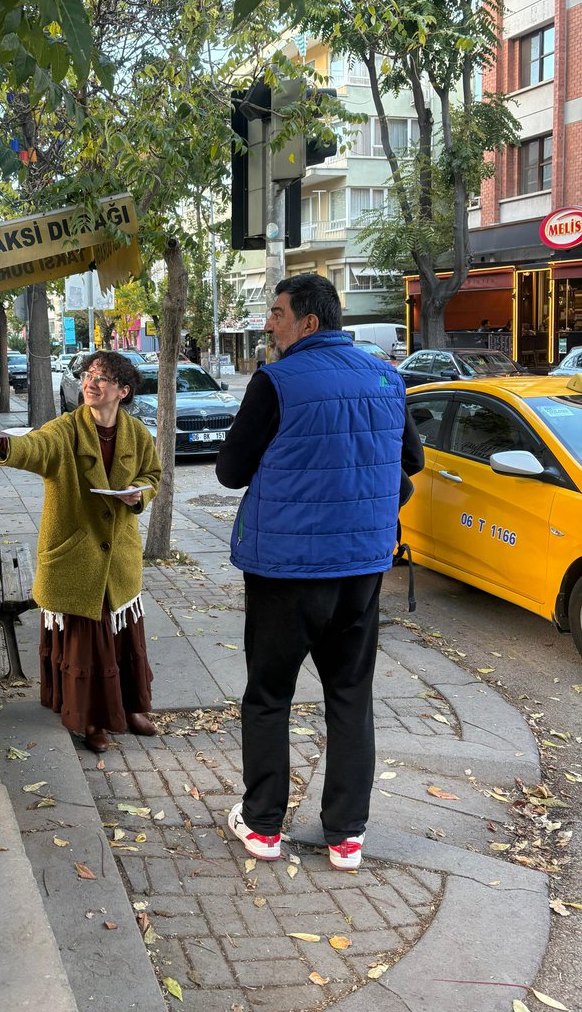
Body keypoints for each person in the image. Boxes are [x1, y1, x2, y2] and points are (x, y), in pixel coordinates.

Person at [215, 274, 423, 870]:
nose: (269, 323)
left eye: (277, 313)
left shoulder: (276, 381)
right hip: (361, 571)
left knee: (269, 695)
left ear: (309, 321)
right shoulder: (387, 376)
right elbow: (410, 461)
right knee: (351, 698)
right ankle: (346, 837)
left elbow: (230, 470)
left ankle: (262, 828)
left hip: (285, 572)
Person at [0, 350, 161, 753]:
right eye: (89, 375)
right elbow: (35, 447)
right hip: (76, 554)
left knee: (124, 635)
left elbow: (152, 475)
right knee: (87, 643)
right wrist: (1, 442)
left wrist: (139, 493)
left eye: (103, 378)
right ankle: (92, 719)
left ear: (123, 392)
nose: (91, 383)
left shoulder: (137, 434)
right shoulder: (66, 430)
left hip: (119, 557)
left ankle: (131, 706)